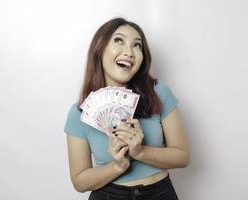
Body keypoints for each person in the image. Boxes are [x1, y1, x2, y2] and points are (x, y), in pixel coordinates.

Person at [64, 17, 190, 200]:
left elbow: (183, 156)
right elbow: (79, 182)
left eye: (137, 45)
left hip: (160, 193)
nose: (129, 52)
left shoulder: (158, 92)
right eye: (119, 40)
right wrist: (118, 166)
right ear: (100, 49)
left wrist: (140, 152)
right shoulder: (79, 113)